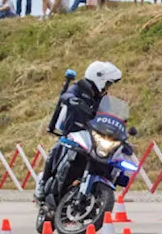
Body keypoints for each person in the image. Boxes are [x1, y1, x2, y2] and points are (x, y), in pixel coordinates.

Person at [35, 61, 124, 208]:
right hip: (72, 131)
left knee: (107, 158)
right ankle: (43, 181)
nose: (109, 86)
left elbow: (109, 115)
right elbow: (66, 95)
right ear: (99, 78)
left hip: (90, 135)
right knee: (58, 148)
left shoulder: (103, 97)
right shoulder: (80, 87)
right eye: (108, 83)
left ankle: (93, 191)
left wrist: (118, 128)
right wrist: (71, 99)